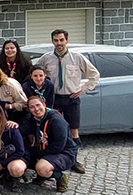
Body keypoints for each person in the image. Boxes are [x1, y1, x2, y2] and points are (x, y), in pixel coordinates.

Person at [38, 29, 99, 174]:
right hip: (55, 98)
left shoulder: (77, 58)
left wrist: (82, 89)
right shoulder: (46, 58)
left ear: (67, 40)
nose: (59, 43)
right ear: (52, 41)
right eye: (56, 40)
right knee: (53, 128)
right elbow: (36, 74)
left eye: (61, 40)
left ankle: (73, 160)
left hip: (71, 98)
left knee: (73, 130)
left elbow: (94, 75)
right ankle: (54, 157)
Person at [27, 95, 78, 192]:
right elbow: (24, 130)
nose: (36, 109)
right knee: (24, 155)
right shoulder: (34, 119)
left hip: (63, 153)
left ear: (44, 104)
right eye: (32, 107)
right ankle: (42, 174)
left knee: (42, 167)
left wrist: (40, 155)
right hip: (45, 149)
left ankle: (59, 177)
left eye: (38, 105)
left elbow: (58, 146)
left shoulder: (56, 121)